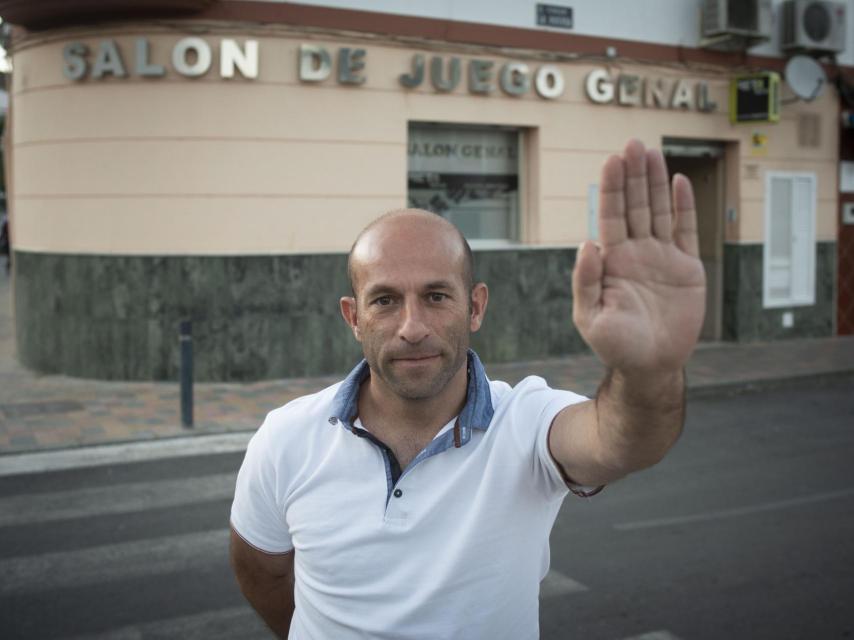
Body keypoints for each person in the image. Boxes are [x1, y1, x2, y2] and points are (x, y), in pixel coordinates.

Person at [229, 139, 706, 639]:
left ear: (475, 307)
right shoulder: (285, 437)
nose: (412, 326)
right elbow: (260, 570)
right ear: (354, 317)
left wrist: (650, 369)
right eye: (385, 300)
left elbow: (622, 440)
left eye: (436, 296)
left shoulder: (526, 422)